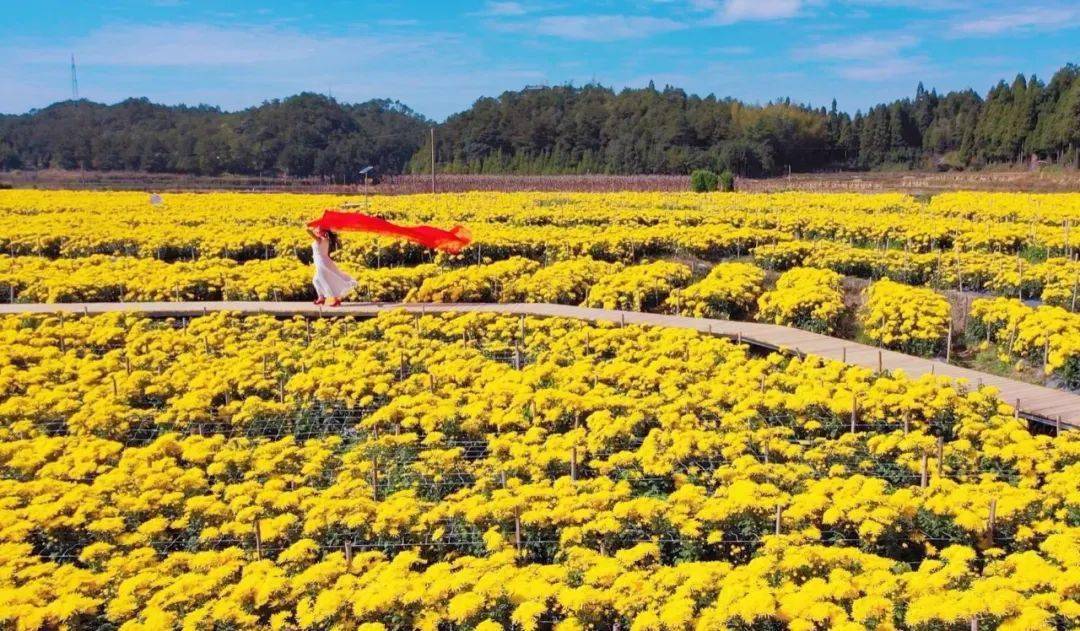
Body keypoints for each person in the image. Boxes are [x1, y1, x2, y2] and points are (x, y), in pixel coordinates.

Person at [307, 226, 356, 306]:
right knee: (316, 280)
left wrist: (308, 227)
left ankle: (334, 299)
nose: (317, 231)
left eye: (320, 230)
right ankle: (321, 298)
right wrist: (314, 229)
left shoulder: (320, 239)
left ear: (324, 232)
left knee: (323, 280)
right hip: (323, 261)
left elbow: (310, 232)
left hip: (321, 262)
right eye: (317, 229)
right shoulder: (325, 239)